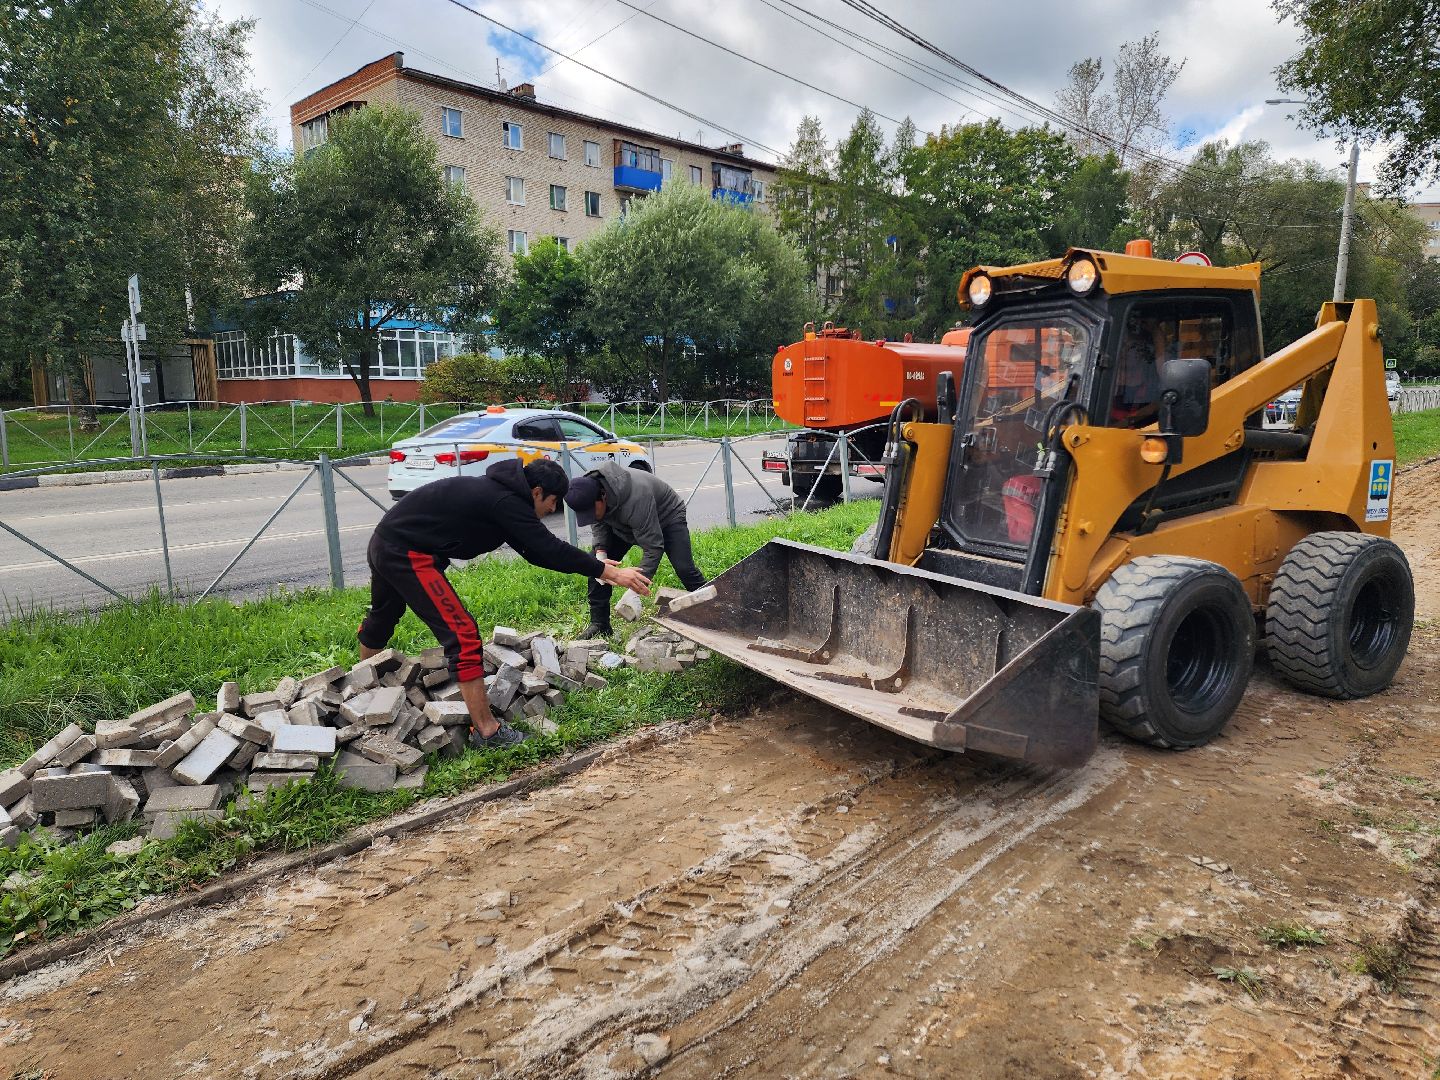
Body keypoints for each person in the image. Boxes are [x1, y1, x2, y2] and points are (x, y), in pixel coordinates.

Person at [358, 458, 652, 748]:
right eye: (552, 501)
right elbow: (549, 547)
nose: (553, 509)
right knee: (463, 635)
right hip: (406, 553)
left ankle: (364, 697)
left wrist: (595, 566)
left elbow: (537, 552)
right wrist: (609, 572)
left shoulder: (503, 496)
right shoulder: (505, 501)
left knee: (383, 617)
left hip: (386, 541)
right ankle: (487, 732)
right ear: (536, 492)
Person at [563, 461, 706, 638]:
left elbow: (653, 546)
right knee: (596, 567)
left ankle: (716, 610)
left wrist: (634, 591)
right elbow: (598, 521)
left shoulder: (636, 497)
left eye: (592, 511)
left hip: (667, 517)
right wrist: (600, 552)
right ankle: (600, 624)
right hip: (622, 524)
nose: (591, 516)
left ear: (602, 495)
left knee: (684, 568)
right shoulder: (587, 488)